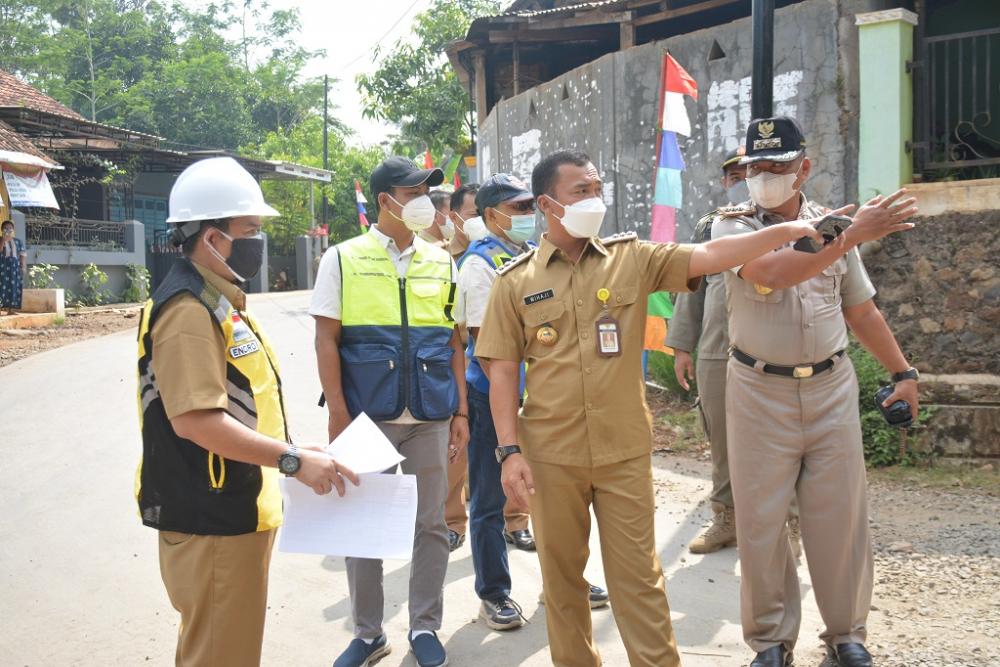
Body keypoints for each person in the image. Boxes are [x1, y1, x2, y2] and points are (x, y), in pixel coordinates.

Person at [475, 149, 825, 667]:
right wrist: (509, 452)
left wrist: (787, 229)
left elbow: (711, 256)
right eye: (581, 192)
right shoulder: (514, 282)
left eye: (597, 188)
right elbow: (501, 372)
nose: (595, 199)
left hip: (623, 452)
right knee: (563, 579)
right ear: (548, 204)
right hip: (550, 455)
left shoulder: (631, 257)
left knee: (639, 578)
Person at [135, 156, 357, 667]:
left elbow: (244, 404)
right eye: (249, 229)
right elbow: (195, 421)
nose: (259, 241)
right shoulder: (188, 312)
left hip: (231, 507)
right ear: (211, 237)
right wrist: (293, 461)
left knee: (226, 649)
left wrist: (295, 449)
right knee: (220, 656)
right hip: (212, 515)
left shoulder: (216, 301)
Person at [713, 116, 918, 667]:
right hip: (758, 390)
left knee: (840, 518)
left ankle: (846, 636)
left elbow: (860, 308)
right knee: (761, 521)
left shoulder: (833, 225)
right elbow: (771, 272)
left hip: (831, 387)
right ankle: (771, 642)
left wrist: (904, 374)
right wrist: (849, 232)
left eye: (776, 166)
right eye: (754, 166)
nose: (763, 176)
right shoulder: (729, 226)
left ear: (803, 167)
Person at [311, 156, 470, 667]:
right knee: (364, 526)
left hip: (430, 416)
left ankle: (425, 627)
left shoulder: (442, 261)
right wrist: (338, 413)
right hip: (367, 416)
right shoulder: (341, 258)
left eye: (429, 190)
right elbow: (326, 339)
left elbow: (454, 343)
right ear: (386, 200)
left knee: (431, 526)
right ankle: (368, 634)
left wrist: (460, 413)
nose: (428, 199)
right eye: (416, 190)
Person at [668, 148, 803, 557]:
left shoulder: (794, 222)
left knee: (782, 439)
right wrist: (681, 346)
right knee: (722, 440)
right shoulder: (714, 227)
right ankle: (726, 517)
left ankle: (789, 521)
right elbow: (691, 286)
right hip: (717, 346)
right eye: (736, 175)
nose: (744, 179)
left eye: (752, 171)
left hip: (774, 348)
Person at [1, 220, 26, 315]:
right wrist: (3, 239)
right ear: (2, 230)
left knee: (14, 287)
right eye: (6, 228)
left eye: (10, 228)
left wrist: (23, 267)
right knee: (2, 286)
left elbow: (22, 254)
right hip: (2, 266)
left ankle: (11, 310)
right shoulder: (0, 239)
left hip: (15, 268)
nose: (8, 230)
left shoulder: (18, 241)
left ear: (13, 230)